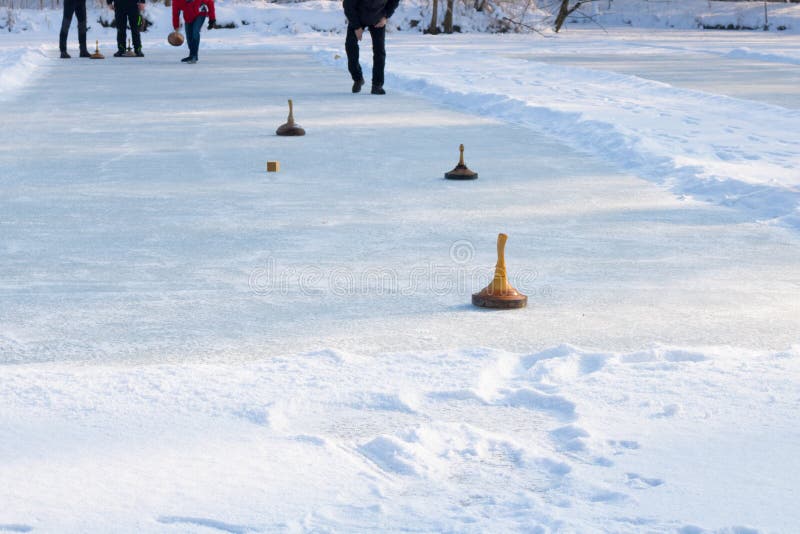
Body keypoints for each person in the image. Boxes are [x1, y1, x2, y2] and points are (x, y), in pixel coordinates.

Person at [343, 0, 399, 95]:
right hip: (358, 17)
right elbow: (348, 6)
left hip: (378, 18)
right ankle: (358, 78)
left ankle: (377, 85)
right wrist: (356, 27)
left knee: (379, 51)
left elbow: (394, 2)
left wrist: (385, 16)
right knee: (350, 46)